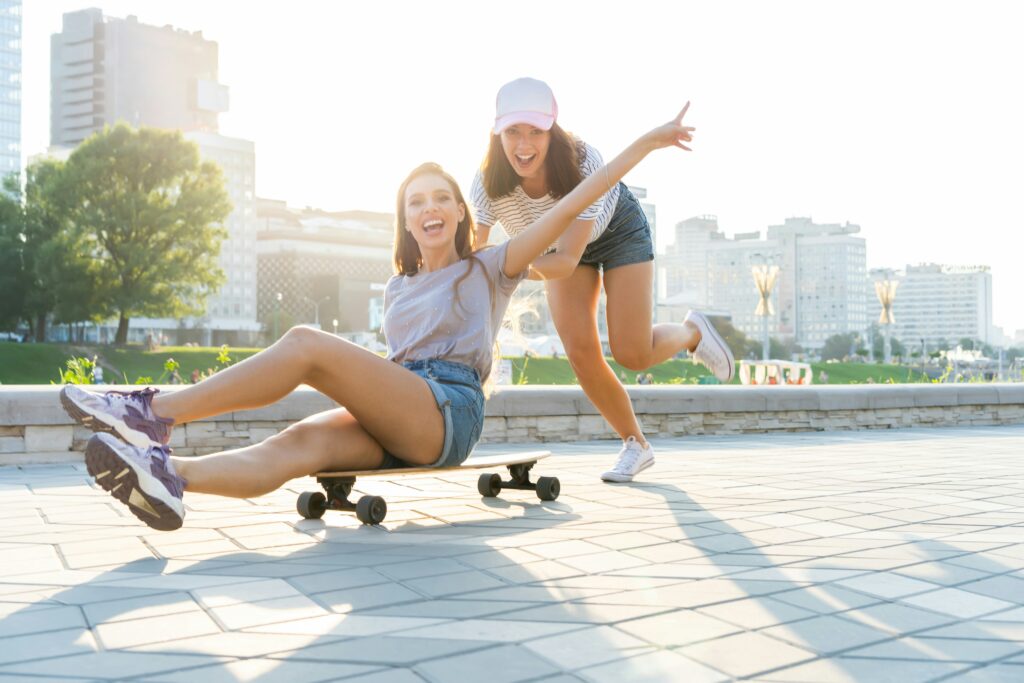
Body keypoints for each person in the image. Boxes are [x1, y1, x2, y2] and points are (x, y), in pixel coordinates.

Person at [58, 106, 695, 532]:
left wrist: (645, 143)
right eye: (417, 202)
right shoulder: (398, 286)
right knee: (297, 445)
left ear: (461, 214)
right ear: (407, 220)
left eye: (443, 197)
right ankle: (170, 478)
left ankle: (151, 412)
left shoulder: (494, 265)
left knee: (307, 344)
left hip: (446, 409)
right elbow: (389, 370)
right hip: (400, 402)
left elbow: (578, 199)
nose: (432, 208)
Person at [471, 78, 734, 483]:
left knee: (633, 353)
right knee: (580, 352)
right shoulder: (487, 183)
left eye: (536, 132)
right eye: (513, 132)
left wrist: (509, 265)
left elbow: (566, 259)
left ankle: (691, 333)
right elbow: (474, 258)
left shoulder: (581, 163)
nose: (524, 145)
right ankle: (636, 445)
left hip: (615, 233)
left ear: (552, 129)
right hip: (554, 252)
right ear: (497, 132)